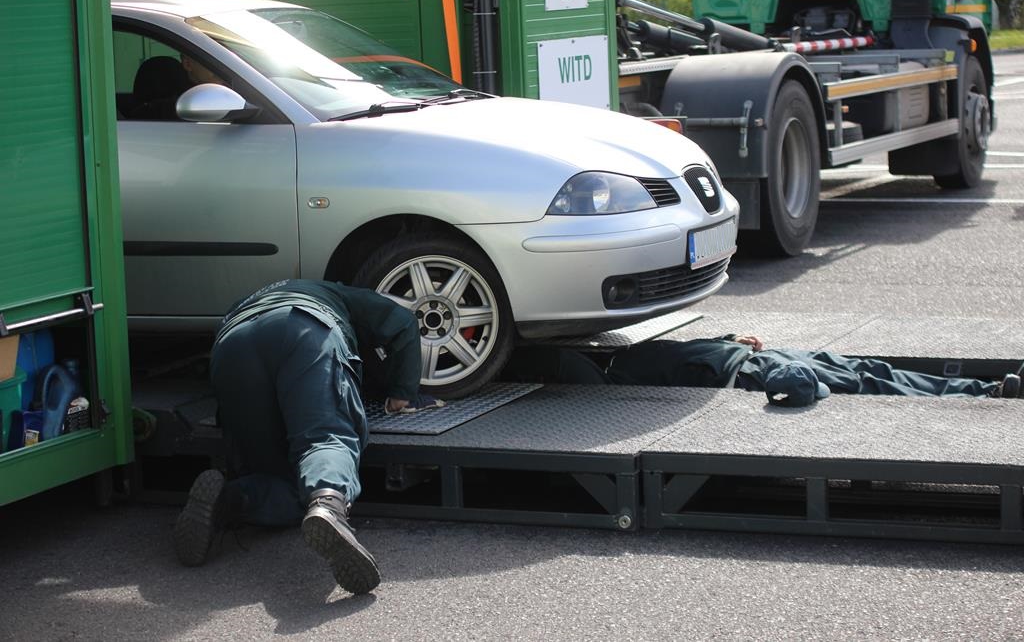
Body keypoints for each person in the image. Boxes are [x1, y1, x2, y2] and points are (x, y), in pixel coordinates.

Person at [172, 279, 441, 595]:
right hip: (304, 327)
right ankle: (328, 502)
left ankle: (228, 501)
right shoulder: (335, 292)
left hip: (232, 345)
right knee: (326, 436)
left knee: (274, 477)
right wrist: (402, 393)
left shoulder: (248, 297)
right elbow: (403, 322)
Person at [505, 334, 1023, 403]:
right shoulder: (613, 380)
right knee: (870, 381)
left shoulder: (627, 352)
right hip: (760, 373)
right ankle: (988, 396)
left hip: (761, 357)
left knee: (873, 368)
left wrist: (730, 339)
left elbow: (694, 350)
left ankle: (989, 387)